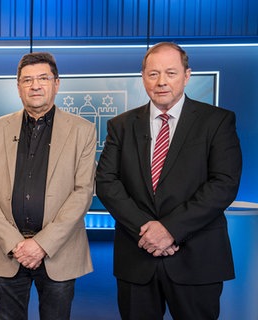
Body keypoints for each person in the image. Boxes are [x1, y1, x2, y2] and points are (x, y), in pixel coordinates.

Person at [96, 42, 243, 319]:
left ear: (187, 76)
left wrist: (170, 229)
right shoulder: (121, 125)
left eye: (171, 73)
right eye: (153, 74)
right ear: (143, 78)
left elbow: (223, 184)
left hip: (197, 259)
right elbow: (106, 182)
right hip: (137, 258)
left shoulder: (217, 121)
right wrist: (147, 230)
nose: (161, 81)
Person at [0, 52, 97, 319]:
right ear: (18, 87)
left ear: (57, 83)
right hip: (7, 251)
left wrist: (42, 244)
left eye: (43, 78)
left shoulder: (83, 130)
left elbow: (83, 191)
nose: (35, 85)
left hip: (59, 252)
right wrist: (15, 243)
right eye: (27, 80)